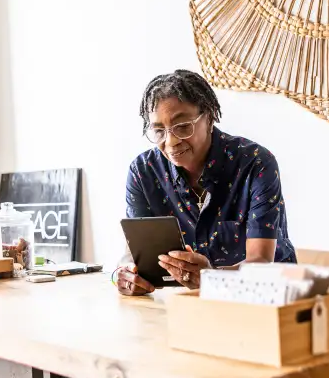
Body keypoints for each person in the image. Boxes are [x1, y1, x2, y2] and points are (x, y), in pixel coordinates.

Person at [117, 70, 295, 296]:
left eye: (182, 126)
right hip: (189, 304)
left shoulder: (256, 164)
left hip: (271, 298)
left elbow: (260, 264)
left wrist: (212, 277)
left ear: (209, 117)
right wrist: (124, 276)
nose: (170, 142)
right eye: (159, 131)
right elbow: (136, 258)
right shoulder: (143, 172)